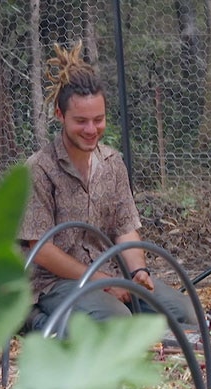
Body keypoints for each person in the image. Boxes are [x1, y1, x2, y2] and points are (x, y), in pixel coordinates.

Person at [19, 41, 198, 332]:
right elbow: (41, 250)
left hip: (111, 274)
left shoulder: (112, 162)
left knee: (184, 316)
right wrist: (97, 279)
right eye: (81, 121)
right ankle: (35, 322)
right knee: (114, 321)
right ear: (59, 115)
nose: (91, 130)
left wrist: (138, 271)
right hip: (54, 283)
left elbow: (125, 228)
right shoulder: (39, 168)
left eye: (98, 120)